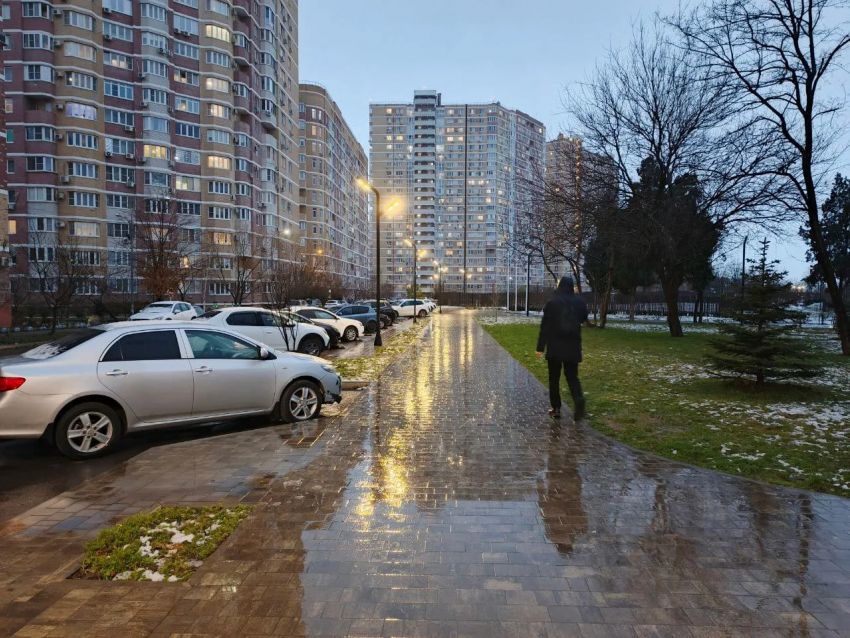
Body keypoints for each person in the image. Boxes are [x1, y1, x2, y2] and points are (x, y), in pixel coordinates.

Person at [536, 276, 588, 420]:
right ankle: (578, 400)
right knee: (572, 377)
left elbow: (545, 327)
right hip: (572, 346)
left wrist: (540, 347)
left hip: (555, 347)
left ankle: (556, 408)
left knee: (554, 378)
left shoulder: (552, 303)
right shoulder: (579, 302)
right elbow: (584, 318)